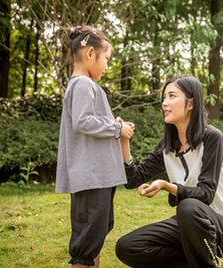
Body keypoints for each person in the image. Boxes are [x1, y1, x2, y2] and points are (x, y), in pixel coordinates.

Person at [115, 75, 223, 267]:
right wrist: (123, 141)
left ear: (191, 103)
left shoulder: (212, 138)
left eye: (172, 96)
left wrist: (167, 186)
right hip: (188, 223)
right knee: (127, 247)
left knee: (188, 207)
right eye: (164, 97)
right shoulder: (167, 146)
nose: (164, 103)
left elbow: (206, 194)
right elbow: (133, 179)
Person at [55, 26, 134, 268]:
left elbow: (89, 120)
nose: (107, 67)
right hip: (91, 178)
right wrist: (115, 129)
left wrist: (113, 124)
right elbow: (82, 121)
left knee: (96, 234)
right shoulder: (82, 84)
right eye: (106, 59)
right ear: (90, 53)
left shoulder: (85, 85)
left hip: (99, 177)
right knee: (87, 241)